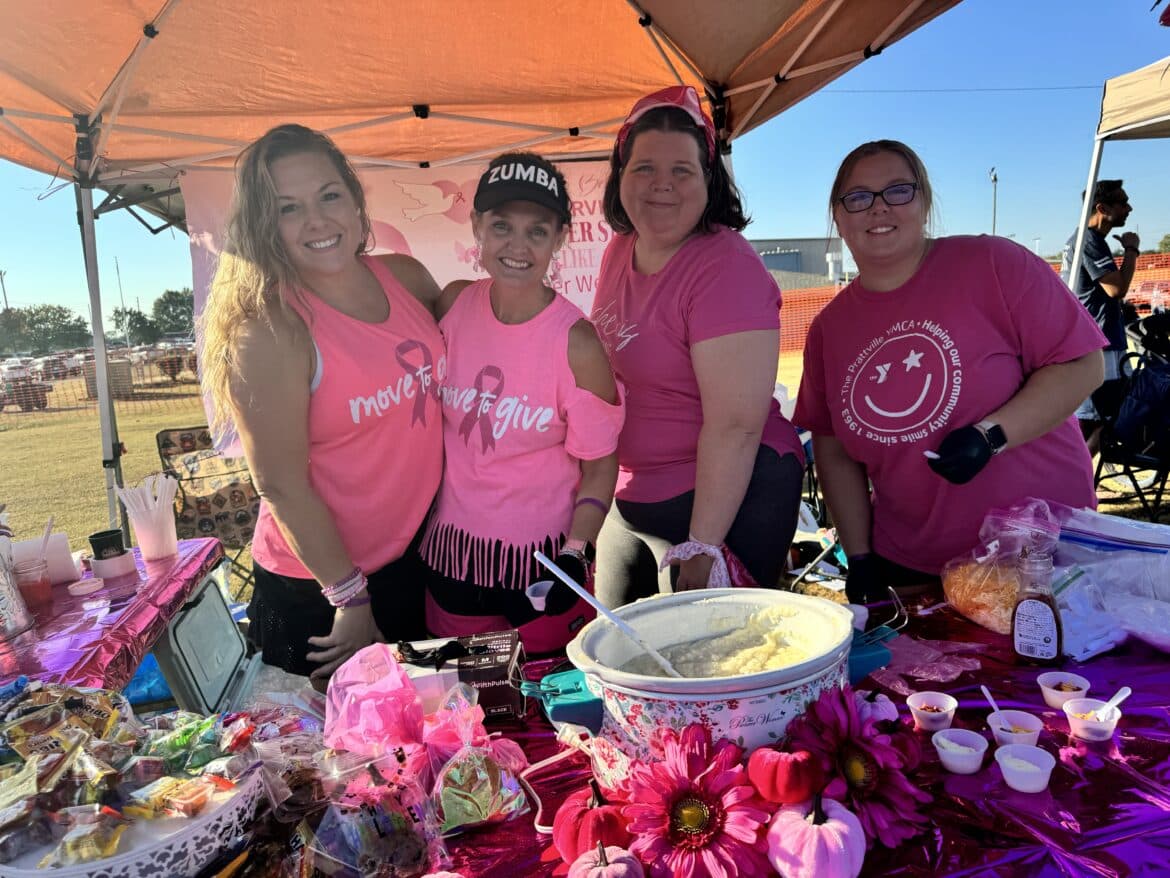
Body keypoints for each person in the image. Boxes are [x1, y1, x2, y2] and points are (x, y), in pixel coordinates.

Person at [795, 140, 1107, 602]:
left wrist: (990, 436)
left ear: (924, 202)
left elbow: (1082, 364)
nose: (878, 207)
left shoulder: (994, 263)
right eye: (857, 197)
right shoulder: (828, 329)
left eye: (897, 190)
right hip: (914, 565)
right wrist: (859, 556)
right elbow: (833, 447)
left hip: (1042, 555)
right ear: (838, 217)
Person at [200, 124, 444, 682]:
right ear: (264, 225)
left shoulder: (406, 278)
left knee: (425, 728)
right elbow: (280, 484)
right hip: (320, 589)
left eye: (329, 195)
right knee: (329, 738)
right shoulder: (270, 328)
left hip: (410, 560)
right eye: (288, 208)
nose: (316, 220)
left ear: (355, 201)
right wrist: (349, 596)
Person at [589, 85, 805, 605]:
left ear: (709, 179)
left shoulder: (725, 266)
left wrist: (704, 544)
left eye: (682, 170)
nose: (661, 184)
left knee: (704, 652)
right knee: (614, 637)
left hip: (723, 498)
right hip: (633, 493)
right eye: (644, 167)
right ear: (621, 174)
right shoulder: (620, 249)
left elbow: (736, 426)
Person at [418, 152, 624, 653]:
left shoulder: (577, 343)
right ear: (476, 227)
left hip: (545, 571)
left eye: (537, 231)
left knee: (549, 699)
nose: (517, 246)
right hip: (452, 561)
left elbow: (600, 466)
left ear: (560, 238)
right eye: (502, 226)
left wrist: (577, 552)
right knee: (463, 699)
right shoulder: (453, 304)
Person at [1060, 179, 1141, 455]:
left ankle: (1078, 475)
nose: (1129, 208)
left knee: (1108, 419)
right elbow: (1116, 288)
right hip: (1099, 347)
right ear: (1102, 208)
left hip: (1101, 342)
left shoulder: (1089, 240)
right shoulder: (1089, 241)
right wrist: (1131, 250)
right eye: (1122, 202)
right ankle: (1075, 479)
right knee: (1099, 422)